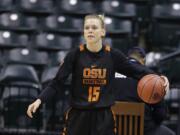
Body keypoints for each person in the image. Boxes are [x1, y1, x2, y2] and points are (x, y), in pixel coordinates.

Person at [26, 14, 169, 135]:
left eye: (94, 28)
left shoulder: (113, 56)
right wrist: (39, 100)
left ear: (102, 32)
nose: (90, 30)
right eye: (87, 27)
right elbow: (57, 82)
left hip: (104, 116)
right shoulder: (74, 55)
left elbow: (137, 71)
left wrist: (159, 78)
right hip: (78, 115)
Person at [114, 47, 175, 135]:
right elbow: (161, 114)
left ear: (127, 58)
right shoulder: (151, 77)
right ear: (144, 60)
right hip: (143, 130)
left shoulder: (110, 74)